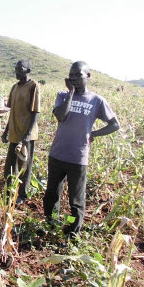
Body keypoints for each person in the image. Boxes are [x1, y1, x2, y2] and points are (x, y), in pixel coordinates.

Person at [43, 61, 120, 235]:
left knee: (76, 201)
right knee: (51, 195)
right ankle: (51, 224)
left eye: (78, 75)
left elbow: (114, 125)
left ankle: (72, 232)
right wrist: (70, 93)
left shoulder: (97, 101)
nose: (75, 78)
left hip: (78, 157)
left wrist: (93, 134)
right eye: (71, 75)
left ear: (88, 76)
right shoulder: (62, 96)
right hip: (57, 154)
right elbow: (61, 116)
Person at [3, 60, 41, 204]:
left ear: (28, 70)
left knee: (25, 166)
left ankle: (22, 195)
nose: (17, 71)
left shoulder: (33, 86)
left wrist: (27, 135)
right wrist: (6, 131)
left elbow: (35, 112)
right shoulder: (14, 87)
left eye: (20, 69)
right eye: (16, 69)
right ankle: (9, 192)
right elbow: (12, 111)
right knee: (10, 166)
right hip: (14, 132)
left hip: (26, 134)